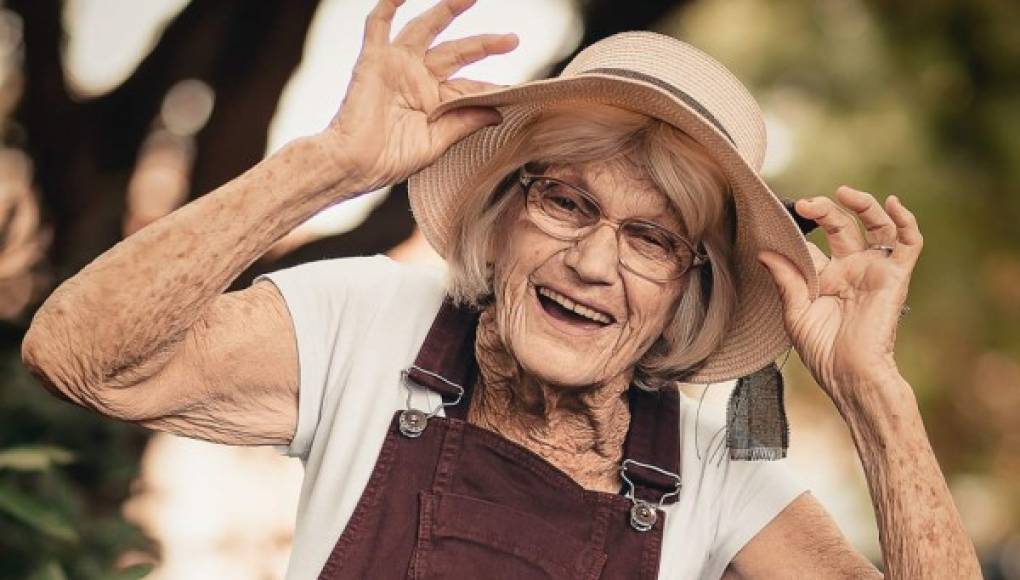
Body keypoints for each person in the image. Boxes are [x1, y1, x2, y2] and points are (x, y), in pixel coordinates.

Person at [22, 0, 980, 578]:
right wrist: (328, 165)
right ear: (506, 210)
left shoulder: (718, 468)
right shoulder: (369, 322)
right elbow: (75, 356)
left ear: (687, 286)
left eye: (651, 238)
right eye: (568, 202)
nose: (594, 262)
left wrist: (873, 392)